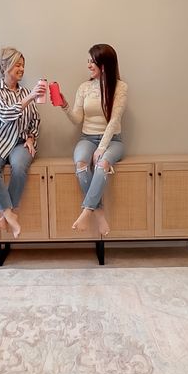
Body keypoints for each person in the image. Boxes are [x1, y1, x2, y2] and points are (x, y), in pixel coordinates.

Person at [58, 44, 128, 236]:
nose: (88, 65)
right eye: (88, 61)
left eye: (92, 61)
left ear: (104, 64)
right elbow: (77, 119)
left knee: (102, 163)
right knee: (81, 163)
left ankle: (87, 211)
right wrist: (65, 106)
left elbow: (114, 121)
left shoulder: (120, 88)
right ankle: (98, 213)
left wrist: (101, 149)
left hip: (113, 140)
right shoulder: (84, 87)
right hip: (87, 138)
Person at [0, 47, 46, 238]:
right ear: (5, 67)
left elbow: (35, 119)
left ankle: (6, 217)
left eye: (23, 65)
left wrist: (31, 138)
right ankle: (10, 214)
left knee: (19, 166)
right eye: (18, 65)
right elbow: (5, 114)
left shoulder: (26, 92)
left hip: (21, 143)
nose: (22, 69)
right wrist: (31, 97)